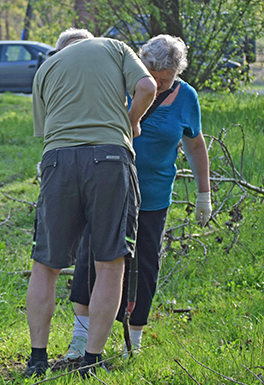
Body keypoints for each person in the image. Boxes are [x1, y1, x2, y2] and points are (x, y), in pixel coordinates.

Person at [63, 35, 212, 361]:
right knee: (92, 256)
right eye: (152, 76)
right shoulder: (118, 83)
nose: (157, 85)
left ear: (176, 74)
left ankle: (134, 340)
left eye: (165, 79)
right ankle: (80, 337)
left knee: (145, 265)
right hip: (107, 186)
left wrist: (205, 193)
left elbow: (196, 144)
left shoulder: (186, 98)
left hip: (153, 194)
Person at [26, 28, 157, 378]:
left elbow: (46, 131)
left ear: (62, 48)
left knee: (45, 265)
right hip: (110, 160)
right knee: (110, 263)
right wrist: (130, 123)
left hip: (58, 160)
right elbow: (146, 87)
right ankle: (91, 360)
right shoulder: (114, 47)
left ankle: (37, 360)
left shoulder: (46, 68)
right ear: (90, 40)